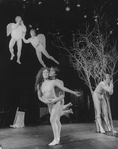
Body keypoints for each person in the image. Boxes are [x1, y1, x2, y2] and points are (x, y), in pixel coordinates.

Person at [35, 67, 80, 146]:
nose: (46, 74)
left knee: (52, 120)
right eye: (44, 72)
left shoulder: (53, 82)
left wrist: (74, 92)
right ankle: (58, 138)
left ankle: (55, 139)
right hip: (49, 104)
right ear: (41, 74)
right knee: (57, 120)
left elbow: (63, 88)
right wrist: (45, 101)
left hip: (56, 102)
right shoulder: (40, 85)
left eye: (47, 72)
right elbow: (39, 96)